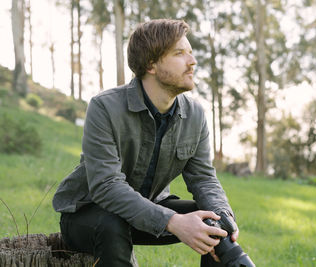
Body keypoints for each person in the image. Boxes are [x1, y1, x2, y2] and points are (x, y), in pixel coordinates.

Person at [52, 19, 238, 267]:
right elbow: (106, 186)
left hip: (152, 207)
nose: (192, 61)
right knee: (111, 224)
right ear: (151, 64)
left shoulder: (195, 115)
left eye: (190, 53)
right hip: (89, 213)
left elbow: (204, 178)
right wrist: (172, 221)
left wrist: (224, 215)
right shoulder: (104, 107)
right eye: (179, 53)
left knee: (214, 224)